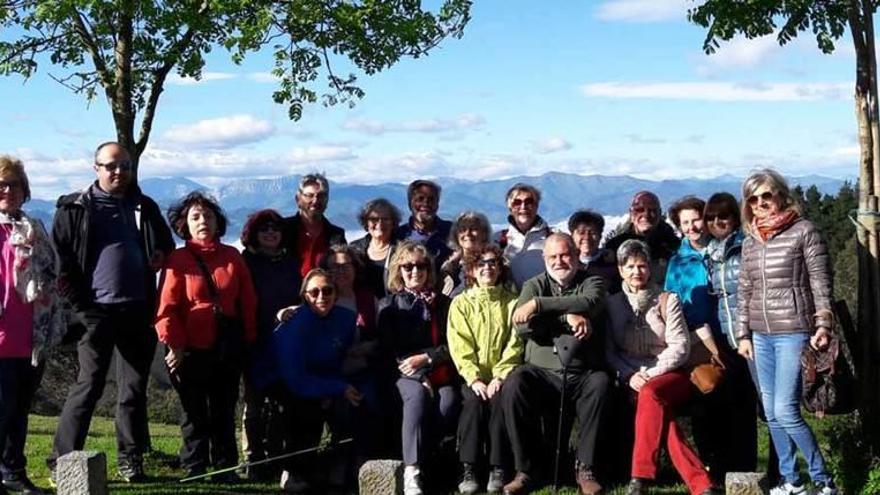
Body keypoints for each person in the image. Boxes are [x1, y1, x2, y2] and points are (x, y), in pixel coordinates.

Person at [49, 142, 174, 482]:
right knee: (88, 386)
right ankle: (63, 461)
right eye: (111, 166)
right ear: (96, 168)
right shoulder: (74, 208)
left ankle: (130, 460)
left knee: (133, 391)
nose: (119, 172)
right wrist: (82, 309)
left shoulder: (143, 206)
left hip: (136, 310)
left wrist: (160, 252)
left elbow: (166, 242)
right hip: (95, 313)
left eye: (125, 166)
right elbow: (62, 263)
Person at [736, 169, 838, 495]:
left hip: (794, 330)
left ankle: (823, 481)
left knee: (785, 409)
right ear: (748, 205)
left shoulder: (803, 231)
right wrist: (743, 334)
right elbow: (744, 290)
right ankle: (791, 480)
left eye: (767, 195)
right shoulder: (750, 240)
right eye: (754, 198)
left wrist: (823, 322)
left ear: (781, 194)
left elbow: (821, 281)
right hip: (760, 335)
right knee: (771, 412)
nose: (761, 203)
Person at [155, 192, 258, 480]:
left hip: (227, 348)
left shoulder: (232, 256)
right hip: (188, 349)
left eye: (208, 216)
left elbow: (247, 302)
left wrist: (248, 341)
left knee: (224, 409)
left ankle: (225, 466)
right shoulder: (177, 259)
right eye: (196, 217)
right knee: (193, 412)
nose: (203, 222)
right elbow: (167, 309)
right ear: (184, 224)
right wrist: (174, 346)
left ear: (218, 222)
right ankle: (194, 466)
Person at [605, 239, 720, 495]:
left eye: (642, 266)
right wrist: (628, 375)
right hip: (630, 375)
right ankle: (701, 483)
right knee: (659, 412)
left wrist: (650, 374)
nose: (637, 272)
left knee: (651, 394)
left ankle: (640, 476)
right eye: (631, 266)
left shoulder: (668, 300)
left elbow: (680, 347)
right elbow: (609, 351)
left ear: (650, 269)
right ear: (621, 270)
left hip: (668, 374)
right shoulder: (612, 304)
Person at [501, 233, 609, 495]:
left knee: (601, 383)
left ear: (575, 255)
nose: (560, 261)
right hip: (541, 373)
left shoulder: (592, 281)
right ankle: (525, 469)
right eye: (553, 256)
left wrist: (539, 305)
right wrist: (567, 319)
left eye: (565, 255)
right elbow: (523, 326)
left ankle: (585, 469)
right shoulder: (533, 284)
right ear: (544, 259)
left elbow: (589, 302)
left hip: (583, 372)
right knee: (515, 383)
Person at [260, 269, 366, 493]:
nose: (321, 296)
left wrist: (334, 388)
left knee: (351, 406)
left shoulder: (346, 319)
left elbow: (339, 359)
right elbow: (295, 378)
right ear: (305, 296)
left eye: (327, 290)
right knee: (303, 409)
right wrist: (335, 388)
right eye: (314, 292)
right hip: (282, 379)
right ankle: (292, 470)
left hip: (322, 377)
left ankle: (337, 468)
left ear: (336, 294)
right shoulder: (296, 324)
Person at [0, 156, 62, 495]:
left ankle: (13, 471)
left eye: (15, 185)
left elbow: (53, 274)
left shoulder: (35, 228)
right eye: (2, 185)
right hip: (2, 335)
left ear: (25, 191)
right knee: (3, 411)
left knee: (20, 411)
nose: (8, 190)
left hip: (32, 337)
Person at [377, 241, 459, 495]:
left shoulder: (444, 304)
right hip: (403, 373)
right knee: (417, 398)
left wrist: (427, 359)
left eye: (421, 265)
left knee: (448, 402)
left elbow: (452, 344)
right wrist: (420, 374)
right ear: (398, 270)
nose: (415, 271)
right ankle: (412, 469)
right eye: (408, 266)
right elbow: (388, 348)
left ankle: (428, 462)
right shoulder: (389, 305)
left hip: (438, 369)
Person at [697, 192, 763, 482]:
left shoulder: (746, 245)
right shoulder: (711, 253)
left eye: (723, 216)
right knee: (734, 405)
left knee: (765, 406)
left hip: (752, 335)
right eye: (711, 217)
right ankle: (736, 469)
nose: (717, 222)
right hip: (725, 338)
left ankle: (776, 471)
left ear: (735, 218)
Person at [447, 244, 523, 494]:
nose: (487, 268)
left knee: (501, 401)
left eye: (492, 263)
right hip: (473, 377)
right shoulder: (461, 304)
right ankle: (468, 467)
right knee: (472, 403)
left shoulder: (513, 303)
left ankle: (497, 466)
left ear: (500, 268)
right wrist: (474, 378)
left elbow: (515, 343)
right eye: (481, 264)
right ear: (471, 270)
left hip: (502, 375)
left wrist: (500, 375)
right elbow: (460, 345)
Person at [239, 209, 301, 479]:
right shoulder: (246, 262)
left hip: (286, 343)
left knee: (281, 404)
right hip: (255, 340)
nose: (271, 233)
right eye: (264, 229)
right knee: (254, 404)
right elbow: (242, 301)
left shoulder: (290, 262)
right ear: (254, 234)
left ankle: (276, 457)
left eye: (275, 228)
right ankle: (253, 459)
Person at [664, 196, 716, 332]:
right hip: (698, 334)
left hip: (730, 330)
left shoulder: (723, 252)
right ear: (680, 227)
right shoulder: (677, 262)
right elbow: (672, 301)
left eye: (696, 220)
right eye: (685, 223)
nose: (691, 227)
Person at [604, 191, 680, 286]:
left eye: (652, 211)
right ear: (631, 214)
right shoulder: (616, 246)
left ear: (660, 213)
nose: (646, 215)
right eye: (639, 210)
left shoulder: (674, 245)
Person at [282, 173, 346, 278]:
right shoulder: (283, 230)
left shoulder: (336, 235)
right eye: (309, 195)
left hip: (324, 293)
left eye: (321, 196)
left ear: (327, 200)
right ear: (298, 199)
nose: (315, 201)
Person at [495, 183, 552, 289]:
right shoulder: (498, 239)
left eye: (529, 202)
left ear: (536, 205)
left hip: (543, 300)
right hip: (510, 302)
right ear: (510, 207)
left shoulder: (552, 236)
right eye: (517, 203)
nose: (523, 207)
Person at [394, 180, 453, 272]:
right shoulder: (398, 235)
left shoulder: (452, 231)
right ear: (410, 204)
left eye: (431, 199)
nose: (425, 204)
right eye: (420, 199)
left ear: (437, 205)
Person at [350, 198, 401, 299]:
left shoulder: (401, 251)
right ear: (366, 223)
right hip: (361, 309)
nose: (380, 223)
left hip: (394, 310)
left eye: (385, 219)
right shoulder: (354, 249)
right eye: (374, 219)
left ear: (393, 223)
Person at [568, 209, 621, 294]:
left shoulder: (611, 263)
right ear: (572, 236)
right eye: (581, 233)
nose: (587, 237)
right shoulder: (568, 262)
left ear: (600, 236)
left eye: (592, 233)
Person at [441, 211, 492, 298]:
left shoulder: (492, 265)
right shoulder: (449, 269)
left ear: (484, 234)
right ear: (456, 236)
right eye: (462, 230)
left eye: (474, 229)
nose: (467, 234)